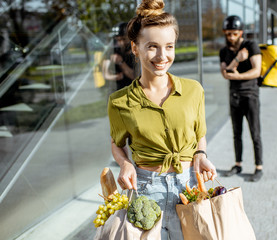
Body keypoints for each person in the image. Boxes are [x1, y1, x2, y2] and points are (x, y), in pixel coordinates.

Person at [107, 0, 217, 239]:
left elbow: (200, 135)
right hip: (146, 190)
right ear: (135, 48)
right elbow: (117, 143)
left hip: (189, 188)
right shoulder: (119, 102)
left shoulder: (194, 90)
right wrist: (125, 164)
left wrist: (200, 155)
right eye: (152, 46)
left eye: (169, 46)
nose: (162, 56)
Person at [219, 15, 263, 182]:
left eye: (234, 34)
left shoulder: (250, 45)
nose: (231, 37)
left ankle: (259, 167)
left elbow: (256, 71)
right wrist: (237, 59)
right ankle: (238, 164)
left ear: (241, 32)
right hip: (234, 97)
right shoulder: (224, 51)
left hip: (250, 96)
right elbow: (225, 73)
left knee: (255, 133)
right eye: (228, 33)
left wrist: (235, 76)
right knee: (236, 133)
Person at [102, 22, 135, 95]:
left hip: (132, 93)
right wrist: (115, 77)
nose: (121, 43)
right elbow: (105, 74)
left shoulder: (136, 53)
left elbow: (135, 76)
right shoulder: (113, 51)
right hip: (115, 92)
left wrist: (121, 62)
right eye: (118, 40)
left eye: (124, 39)